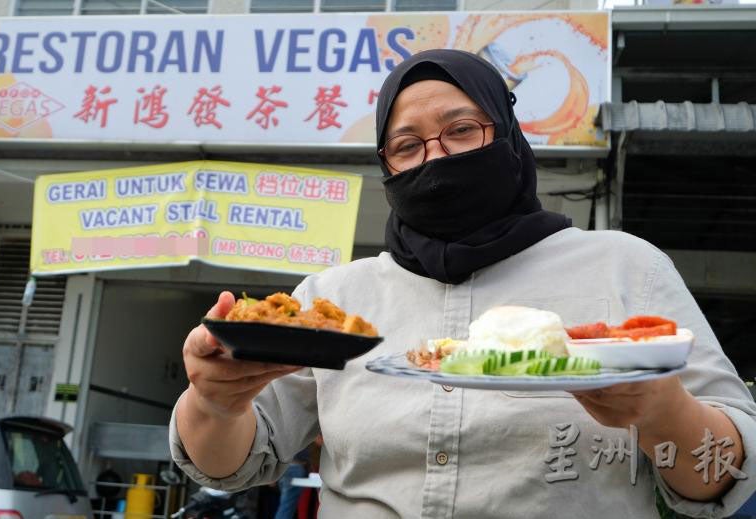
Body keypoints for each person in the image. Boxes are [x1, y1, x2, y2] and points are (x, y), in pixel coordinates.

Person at [170, 49, 756, 518]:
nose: (435, 160)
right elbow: (234, 464)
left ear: (506, 134)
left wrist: (663, 413)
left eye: (461, 131)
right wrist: (215, 401)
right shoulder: (333, 300)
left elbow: (723, 473)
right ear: (386, 164)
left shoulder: (627, 268)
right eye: (407, 146)